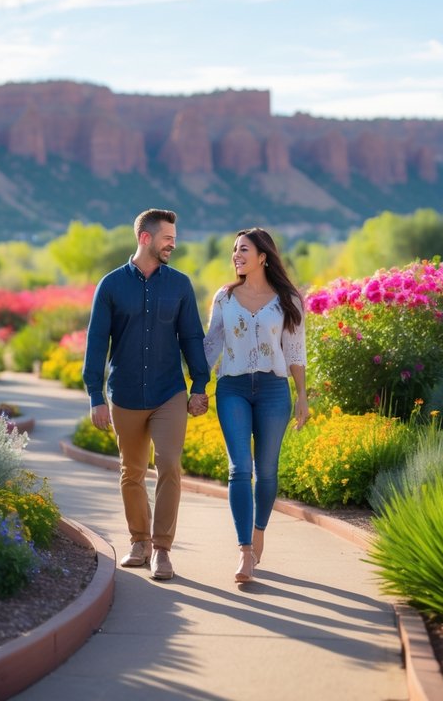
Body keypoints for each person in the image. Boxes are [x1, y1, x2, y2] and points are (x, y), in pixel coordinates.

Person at [83, 208, 210, 581]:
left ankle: (162, 549)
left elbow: (191, 338)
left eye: (174, 236)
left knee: (169, 464)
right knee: (132, 472)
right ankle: (139, 542)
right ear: (145, 238)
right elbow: (96, 343)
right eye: (168, 237)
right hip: (123, 394)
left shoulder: (180, 285)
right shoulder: (110, 286)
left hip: (168, 391)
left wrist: (199, 385)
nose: (174, 243)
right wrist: (95, 395)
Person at [203, 227, 308, 583]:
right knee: (239, 468)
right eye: (234, 250)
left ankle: (259, 528)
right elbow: (211, 345)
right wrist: (195, 385)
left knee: (267, 470)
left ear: (263, 256)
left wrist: (303, 398)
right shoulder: (224, 298)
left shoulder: (288, 300)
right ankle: (245, 551)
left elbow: (295, 352)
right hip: (231, 387)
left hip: (273, 390)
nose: (236, 255)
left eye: (243, 249)